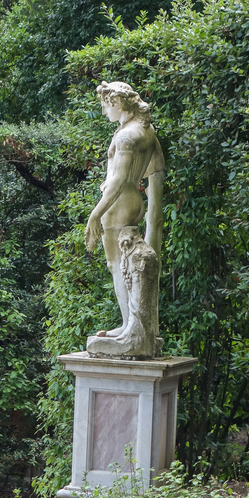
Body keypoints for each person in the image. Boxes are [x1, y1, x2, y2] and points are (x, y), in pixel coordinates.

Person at [85, 81, 165, 342]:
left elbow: (118, 180)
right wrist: (154, 220)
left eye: (105, 106)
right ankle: (133, 324)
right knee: (127, 264)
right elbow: (156, 173)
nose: (104, 112)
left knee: (117, 265)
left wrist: (95, 214)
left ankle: (132, 325)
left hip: (118, 204)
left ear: (117, 103)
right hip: (134, 202)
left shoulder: (125, 137)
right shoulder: (145, 130)